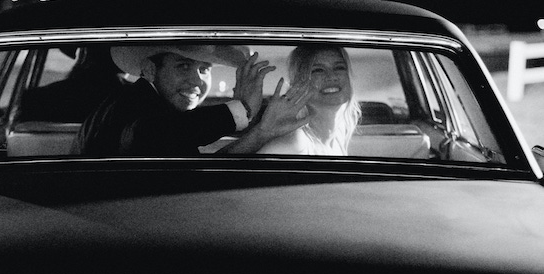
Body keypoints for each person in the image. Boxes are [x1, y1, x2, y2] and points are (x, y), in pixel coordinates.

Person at [73, 44, 275, 156]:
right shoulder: (140, 111)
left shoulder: (131, 101)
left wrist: (261, 133)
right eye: (183, 66)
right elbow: (159, 133)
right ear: (150, 70)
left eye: (204, 70)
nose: (197, 80)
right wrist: (242, 108)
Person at [253, 45, 361, 155]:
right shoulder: (295, 144)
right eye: (318, 70)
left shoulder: (339, 137)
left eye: (339, 67)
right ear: (299, 84)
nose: (332, 76)